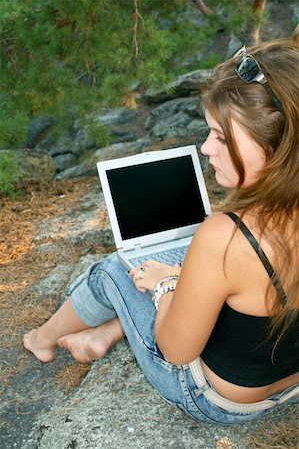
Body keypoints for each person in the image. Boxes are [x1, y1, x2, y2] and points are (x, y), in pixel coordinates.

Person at [23, 36, 299, 424]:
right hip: (288, 382)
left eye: (220, 136)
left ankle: (42, 340)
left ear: (277, 145)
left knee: (114, 271)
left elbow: (175, 350)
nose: (205, 148)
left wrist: (168, 285)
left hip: (222, 401)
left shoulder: (226, 237)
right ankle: (104, 334)